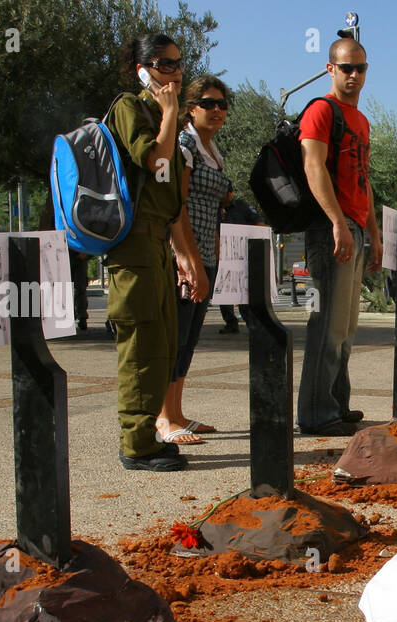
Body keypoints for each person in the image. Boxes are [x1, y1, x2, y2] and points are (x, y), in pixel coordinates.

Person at [106, 33, 208, 471]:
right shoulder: (131, 107)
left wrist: (182, 254)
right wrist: (169, 114)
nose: (175, 71)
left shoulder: (155, 111)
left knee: (163, 342)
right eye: (164, 64)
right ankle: (136, 444)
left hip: (155, 243)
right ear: (142, 68)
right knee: (141, 345)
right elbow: (157, 162)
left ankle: (146, 435)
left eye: (178, 63)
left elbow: (169, 197)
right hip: (132, 246)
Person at [296, 36, 382, 437]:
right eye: (346, 67)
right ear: (330, 69)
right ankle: (316, 413)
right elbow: (314, 167)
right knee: (327, 325)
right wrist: (337, 222)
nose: (353, 75)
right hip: (330, 229)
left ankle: (336, 404)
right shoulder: (320, 110)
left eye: (360, 68)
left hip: (355, 229)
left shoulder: (361, 120)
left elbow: (364, 181)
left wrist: (374, 235)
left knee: (346, 327)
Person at [154, 76, 234, 446]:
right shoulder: (184, 145)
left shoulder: (211, 149)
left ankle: (177, 411)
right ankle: (163, 417)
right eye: (208, 103)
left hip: (206, 252)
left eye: (222, 103)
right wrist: (188, 259)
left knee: (189, 336)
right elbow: (177, 204)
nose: (217, 110)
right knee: (175, 335)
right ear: (191, 108)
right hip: (184, 256)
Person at [217, 198, 263, 333]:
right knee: (224, 291)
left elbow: (259, 222)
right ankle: (231, 323)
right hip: (222, 254)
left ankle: (251, 324)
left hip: (242, 252)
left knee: (243, 291)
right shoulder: (215, 206)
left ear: (230, 193)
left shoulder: (242, 206)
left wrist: (257, 246)